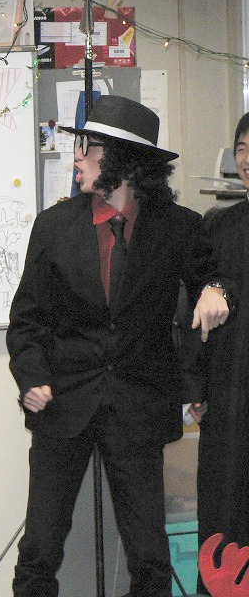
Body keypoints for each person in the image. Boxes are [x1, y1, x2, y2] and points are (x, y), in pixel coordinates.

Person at [6, 95, 231, 597]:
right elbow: (26, 320)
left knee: (149, 556)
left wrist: (216, 290)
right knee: (40, 548)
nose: (77, 157)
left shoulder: (178, 227)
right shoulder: (54, 226)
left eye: (87, 147)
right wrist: (32, 377)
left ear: (120, 159)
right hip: (64, 399)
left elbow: (215, 276)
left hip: (138, 402)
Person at [190, 112, 249, 593]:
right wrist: (197, 387)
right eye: (242, 148)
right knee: (228, 512)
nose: (248, 158)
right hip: (231, 397)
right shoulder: (221, 226)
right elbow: (196, 308)